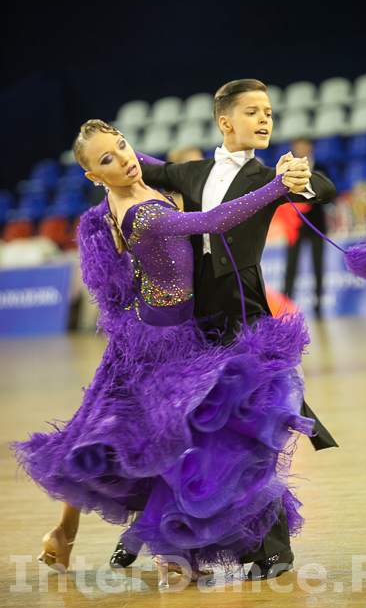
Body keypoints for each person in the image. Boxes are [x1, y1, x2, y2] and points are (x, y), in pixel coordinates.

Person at [13, 119, 315, 587]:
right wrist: (277, 187)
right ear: (94, 176)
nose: (124, 158)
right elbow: (213, 221)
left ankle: (66, 531)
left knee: (109, 432)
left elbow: (173, 168)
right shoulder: (141, 213)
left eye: (122, 145)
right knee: (163, 441)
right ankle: (168, 547)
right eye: (108, 159)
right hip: (161, 342)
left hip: (148, 328)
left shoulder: (133, 180)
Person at [110, 79, 339, 580]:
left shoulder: (267, 175)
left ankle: (272, 551)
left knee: (253, 437)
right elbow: (143, 166)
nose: (265, 119)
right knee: (187, 436)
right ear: (224, 121)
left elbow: (324, 188)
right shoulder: (192, 173)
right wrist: (111, 145)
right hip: (195, 325)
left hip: (247, 318)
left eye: (269, 112)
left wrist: (301, 178)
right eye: (253, 111)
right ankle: (162, 536)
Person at [283, 138, 329, 318]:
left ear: (311, 148)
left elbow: (327, 193)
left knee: (318, 266)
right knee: (291, 266)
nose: (301, 149)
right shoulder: (287, 170)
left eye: (304, 146)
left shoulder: (322, 168)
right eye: (297, 146)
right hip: (295, 226)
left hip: (317, 224)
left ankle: (319, 305)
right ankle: (286, 304)